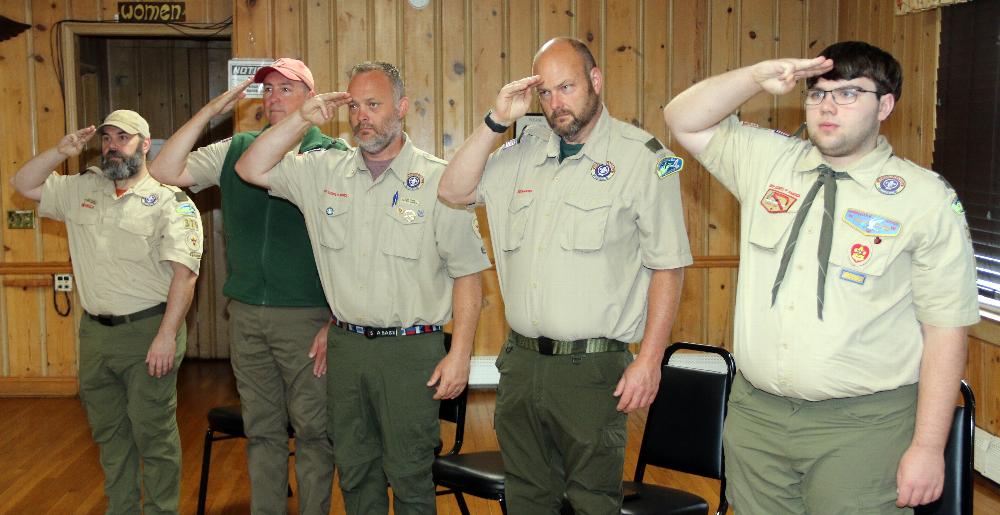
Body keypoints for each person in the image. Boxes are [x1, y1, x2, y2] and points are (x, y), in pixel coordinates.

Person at [663, 41, 980, 513]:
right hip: (758, 417)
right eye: (818, 93)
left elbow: (946, 329)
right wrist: (756, 75)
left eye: (850, 93)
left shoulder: (924, 199)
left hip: (862, 428)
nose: (828, 106)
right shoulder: (769, 162)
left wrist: (929, 448)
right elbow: (682, 117)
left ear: (885, 106)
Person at [438, 37, 691, 514]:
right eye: (546, 93)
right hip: (522, 364)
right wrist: (497, 122)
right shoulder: (521, 155)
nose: (556, 103)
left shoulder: (644, 158)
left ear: (596, 81)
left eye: (567, 87)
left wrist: (650, 359)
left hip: (592, 372)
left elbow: (668, 264)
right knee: (527, 498)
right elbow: (453, 191)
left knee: (593, 503)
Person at [234, 61, 490, 515]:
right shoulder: (322, 172)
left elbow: (468, 272)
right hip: (346, 349)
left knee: (410, 478)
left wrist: (462, 353)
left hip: (410, 352)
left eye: (373, 104)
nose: (361, 117)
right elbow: (251, 167)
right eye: (353, 106)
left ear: (402, 108)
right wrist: (301, 119)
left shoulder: (438, 181)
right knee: (355, 473)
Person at [146, 58, 345, 514]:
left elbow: (353, 249)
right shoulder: (235, 149)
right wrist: (210, 112)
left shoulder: (332, 156)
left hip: (308, 316)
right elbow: (163, 170)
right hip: (246, 315)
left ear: (311, 99)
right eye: (268, 91)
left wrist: (335, 320)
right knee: (262, 432)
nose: (273, 98)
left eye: (286, 90)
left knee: (314, 432)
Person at [12, 110, 202, 514]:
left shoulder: (170, 202)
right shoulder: (84, 188)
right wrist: (60, 151)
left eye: (124, 138)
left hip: (149, 330)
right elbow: (23, 184)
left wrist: (167, 335)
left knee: (153, 435)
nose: (113, 145)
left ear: (145, 145)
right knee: (109, 434)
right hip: (96, 334)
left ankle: (161, 510)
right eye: (107, 138)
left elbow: (184, 277)